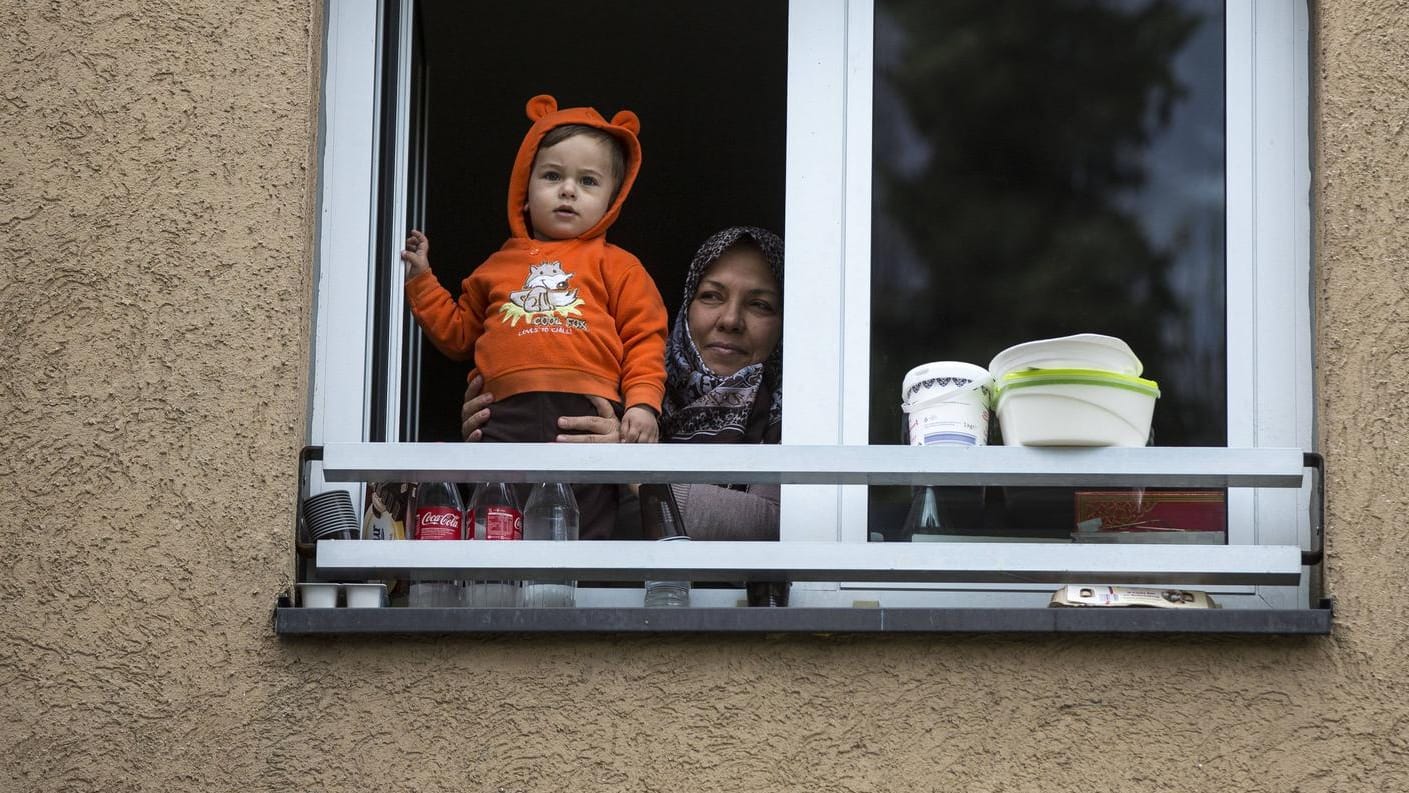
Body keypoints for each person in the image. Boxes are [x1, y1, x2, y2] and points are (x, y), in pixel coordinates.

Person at [403, 95, 669, 540]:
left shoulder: (618, 265)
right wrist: (422, 280)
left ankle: (580, 602)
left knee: (585, 529)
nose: (568, 190)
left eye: (588, 181)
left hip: (586, 412)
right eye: (552, 176)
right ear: (525, 189)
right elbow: (456, 335)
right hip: (503, 416)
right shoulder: (496, 266)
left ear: (612, 200)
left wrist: (642, 404)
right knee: (498, 523)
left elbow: (645, 339)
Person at [461, 226, 784, 541]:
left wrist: (635, 470)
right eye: (712, 296)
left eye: (760, 305)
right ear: (687, 305)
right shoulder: (620, 387)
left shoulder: (796, 415)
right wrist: (503, 428)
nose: (730, 320)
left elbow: (779, 524)